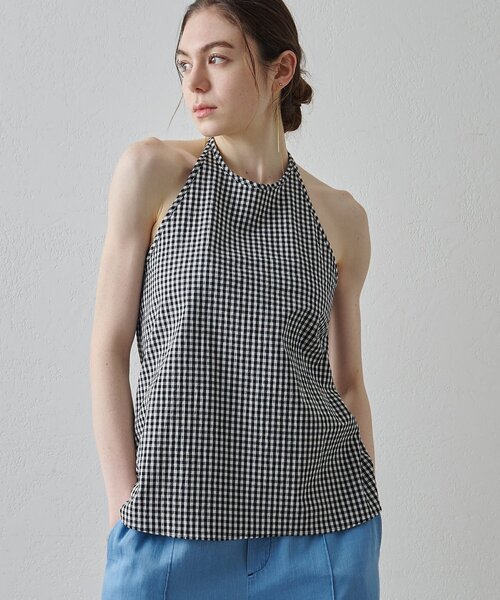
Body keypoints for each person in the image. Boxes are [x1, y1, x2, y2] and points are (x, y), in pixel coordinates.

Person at [90, 1, 383, 598]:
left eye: (217, 59)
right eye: (184, 64)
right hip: (170, 527)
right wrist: (126, 509)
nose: (194, 83)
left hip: (322, 532)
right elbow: (108, 349)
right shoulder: (151, 173)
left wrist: (364, 522)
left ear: (281, 70)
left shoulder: (341, 217)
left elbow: (348, 383)